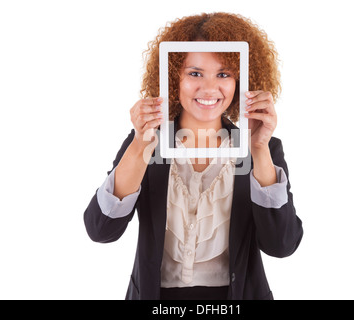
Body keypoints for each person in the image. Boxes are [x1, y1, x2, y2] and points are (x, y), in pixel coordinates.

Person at [83, 12, 303, 300]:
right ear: (174, 77)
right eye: (195, 73)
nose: (210, 88)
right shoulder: (145, 143)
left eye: (223, 74)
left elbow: (281, 245)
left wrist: (258, 150)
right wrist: (140, 146)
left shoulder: (262, 148)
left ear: (241, 80)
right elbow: (101, 230)